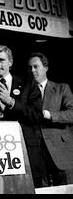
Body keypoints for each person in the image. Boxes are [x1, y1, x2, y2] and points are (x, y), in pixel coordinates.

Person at [0, 45, 44, 187]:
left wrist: (11, 102)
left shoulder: (27, 84)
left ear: (10, 62)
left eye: (1, 60)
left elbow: (37, 116)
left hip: (26, 152)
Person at [28, 52, 73, 185]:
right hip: (37, 153)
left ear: (46, 68)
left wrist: (49, 114)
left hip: (61, 151)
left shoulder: (62, 88)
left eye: (36, 67)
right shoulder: (25, 92)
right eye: (29, 67)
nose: (32, 70)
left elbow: (72, 113)